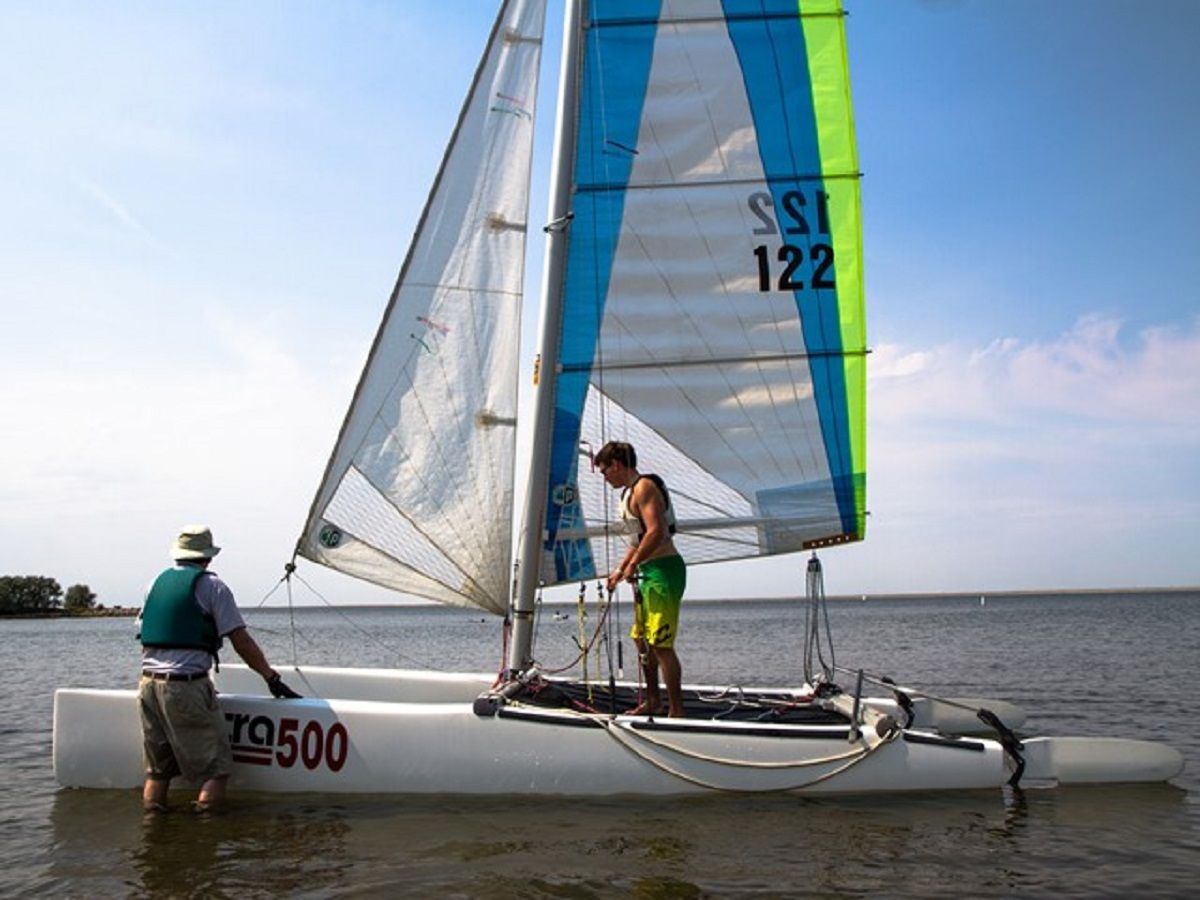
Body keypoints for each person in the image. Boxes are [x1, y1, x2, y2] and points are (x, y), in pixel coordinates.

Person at [137, 525, 300, 813]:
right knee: (217, 770)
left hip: (147, 685)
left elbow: (146, 635)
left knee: (158, 772)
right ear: (208, 557)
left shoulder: (154, 584)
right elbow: (242, 642)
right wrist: (271, 678)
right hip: (185, 687)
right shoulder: (213, 587)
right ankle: (206, 829)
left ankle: (153, 826)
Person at [595, 441, 687, 718]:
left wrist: (634, 564)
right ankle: (653, 701)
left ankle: (677, 711)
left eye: (604, 471)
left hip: (664, 571)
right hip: (647, 572)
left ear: (616, 465)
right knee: (642, 641)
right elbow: (638, 541)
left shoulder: (644, 487)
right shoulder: (629, 494)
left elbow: (656, 531)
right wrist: (619, 570)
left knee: (661, 644)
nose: (604, 478)